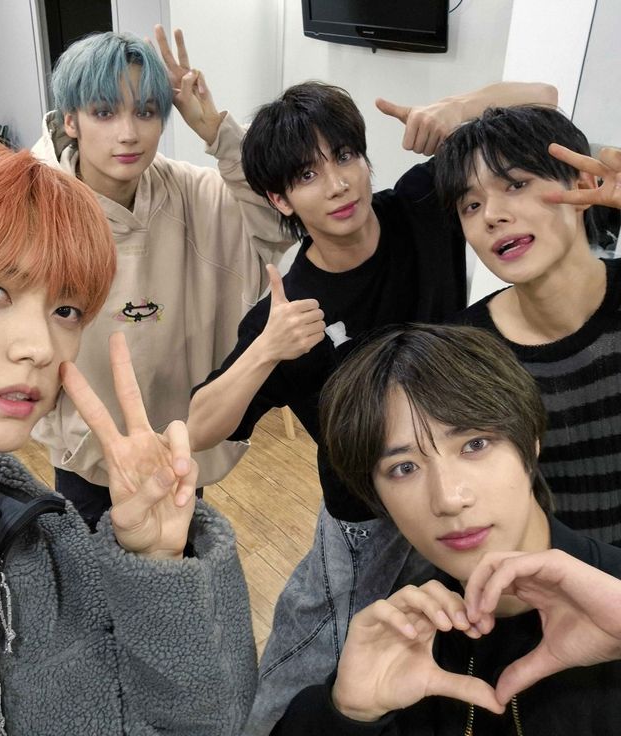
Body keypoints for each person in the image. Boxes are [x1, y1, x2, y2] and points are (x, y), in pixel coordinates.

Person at [187, 80, 557, 733]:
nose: (336, 183)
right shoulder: (291, 305)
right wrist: (265, 351)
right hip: (366, 525)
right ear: (280, 199)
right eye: (307, 173)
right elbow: (198, 426)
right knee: (317, 666)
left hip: (468, 490)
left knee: (467, 645)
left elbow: (544, 99)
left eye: (346, 155)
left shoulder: (421, 206)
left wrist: (456, 108)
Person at [0, 139, 256, 735]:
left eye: (65, 310)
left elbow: (200, 724)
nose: (39, 346)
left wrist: (156, 561)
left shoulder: (45, 533)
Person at [273, 323, 621, 734]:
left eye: (474, 444)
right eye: (404, 468)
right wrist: (347, 714)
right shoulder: (408, 638)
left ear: (530, 443)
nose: (448, 498)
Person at [31, 27, 292, 528]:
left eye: (146, 112)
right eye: (104, 112)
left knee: (177, 582)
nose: (128, 133)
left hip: (178, 447)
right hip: (87, 458)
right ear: (71, 120)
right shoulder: (35, 205)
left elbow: (278, 216)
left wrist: (215, 130)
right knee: (91, 590)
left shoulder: (190, 193)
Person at [436, 106, 621, 545]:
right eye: (471, 204)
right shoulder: (467, 354)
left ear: (582, 185)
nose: (491, 216)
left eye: (516, 185)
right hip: (553, 590)